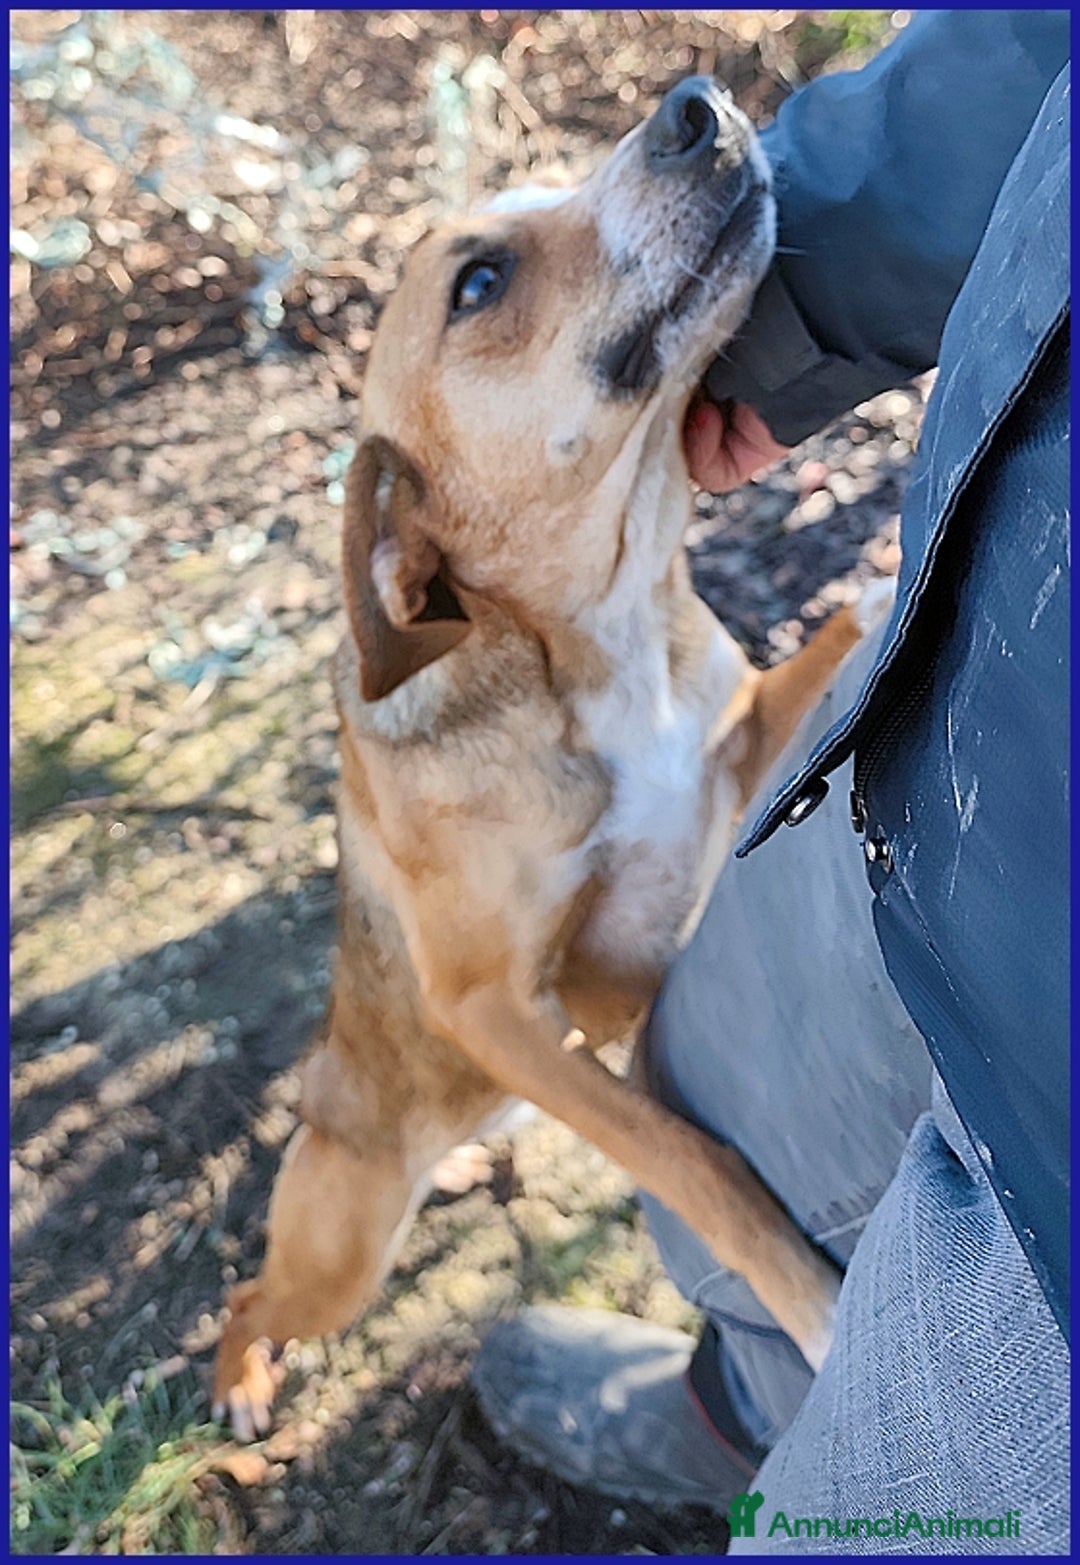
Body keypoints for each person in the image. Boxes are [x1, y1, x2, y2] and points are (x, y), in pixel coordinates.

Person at [472, 11, 1070, 1553]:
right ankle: (737, 1400)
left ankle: (784, 1429)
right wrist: (788, 287)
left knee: (887, 1488)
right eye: (484, 282)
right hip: (986, 690)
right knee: (720, 1071)